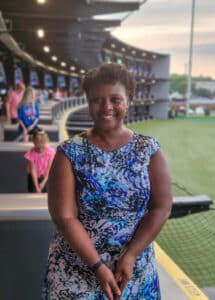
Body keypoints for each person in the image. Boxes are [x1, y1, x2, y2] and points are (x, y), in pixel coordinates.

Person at [42, 63, 172, 299]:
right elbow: (64, 216)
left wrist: (131, 255)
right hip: (76, 272)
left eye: (115, 99)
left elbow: (161, 208)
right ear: (88, 101)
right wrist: (97, 266)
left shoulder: (149, 149)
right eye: (97, 100)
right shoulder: (69, 152)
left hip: (134, 271)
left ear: (129, 100)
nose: (106, 107)